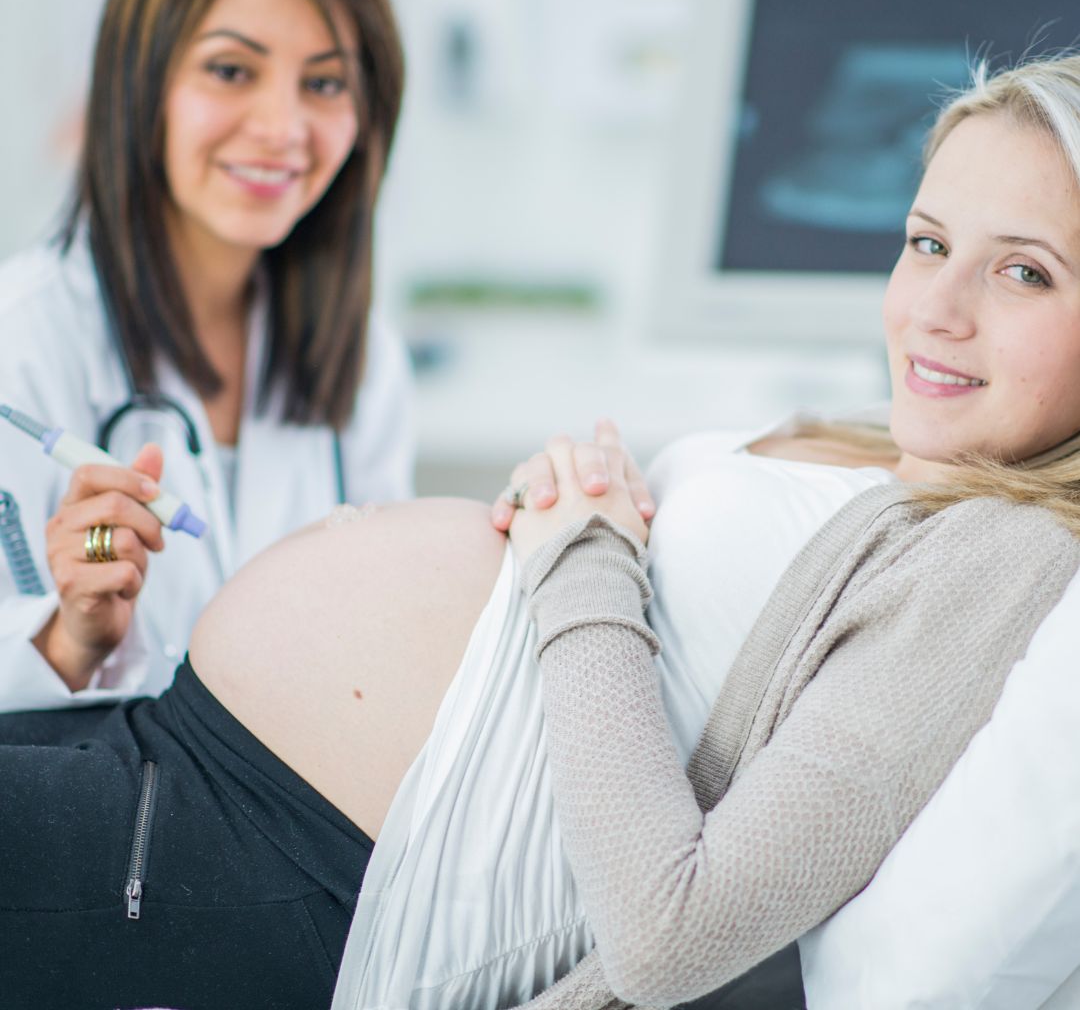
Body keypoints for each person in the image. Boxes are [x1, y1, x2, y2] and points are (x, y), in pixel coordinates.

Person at [4, 53, 1080, 1010]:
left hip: (289, 844)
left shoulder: (1008, 555)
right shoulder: (893, 445)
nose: (935, 307)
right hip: (192, 745)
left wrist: (583, 556)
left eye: (1025, 271)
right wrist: (564, 520)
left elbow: (671, 938)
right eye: (926, 242)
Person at [0, 0, 414, 714]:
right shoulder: (19, 342)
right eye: (231, 70)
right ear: (139, 83)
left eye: (325, 84)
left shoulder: (363, 359)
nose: (283, 127)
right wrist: (69, 638)